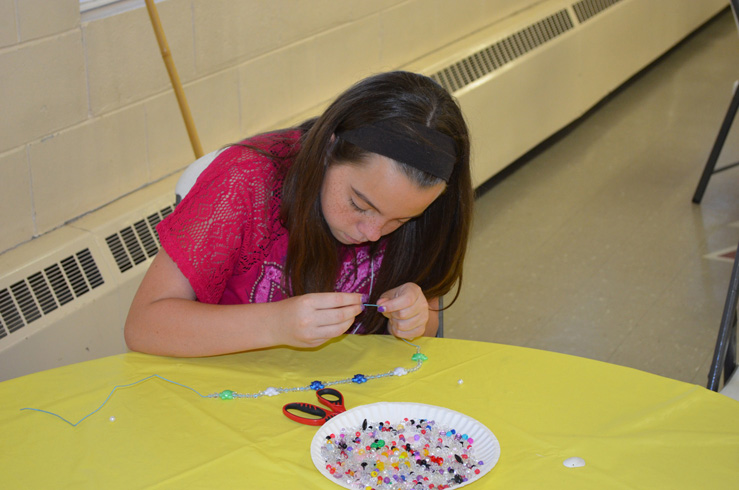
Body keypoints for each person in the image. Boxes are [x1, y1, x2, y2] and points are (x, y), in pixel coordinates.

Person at [124, 71, 473, 357]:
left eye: (401, 221)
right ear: (329, 148)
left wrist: (414, 316)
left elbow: (428, 319)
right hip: (235, 388)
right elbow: (144, 326)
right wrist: (275, 324)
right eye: (359, 205)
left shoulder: (429, 202)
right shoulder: (247, 180)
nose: (373, 232)